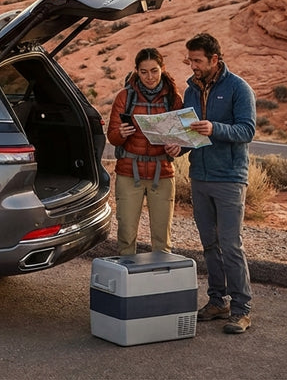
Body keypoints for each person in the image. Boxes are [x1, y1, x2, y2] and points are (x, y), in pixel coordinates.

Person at [166, 33, 257, 335]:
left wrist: (214, 128)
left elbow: (247, 130)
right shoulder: (191, 91)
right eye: (190, 60)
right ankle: (218, 301)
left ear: (214, 59)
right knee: (209, 245)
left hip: (230, 178)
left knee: (231, 245)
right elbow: (194, 137)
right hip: (199, 177)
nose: (192, 66)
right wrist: (179, 147)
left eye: (197, 61)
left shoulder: (238, 88)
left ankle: (242, 309)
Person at [106, 47, 183, 256]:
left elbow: (181, 139)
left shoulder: (173, 98)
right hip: (129, 173)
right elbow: (112, 136)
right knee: (126, 234)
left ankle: (159, 283)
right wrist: (121, 133)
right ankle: (127, 283)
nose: (150, 77)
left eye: (154, 70)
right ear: (136, 71)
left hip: (163, 172)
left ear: (162, 69)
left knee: (162, 237)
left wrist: (177, 146)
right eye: (144, 71)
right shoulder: (125, 97)